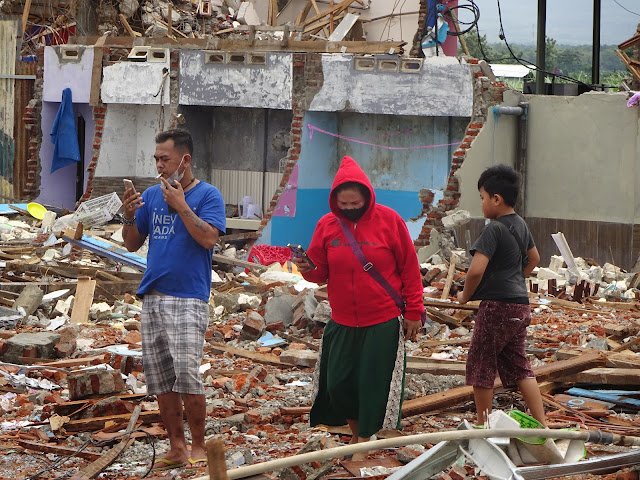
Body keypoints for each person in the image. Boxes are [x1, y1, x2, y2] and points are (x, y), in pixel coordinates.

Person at [294, 156, 425, 461]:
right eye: (345, 203)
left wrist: (414, 313)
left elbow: (410, 269)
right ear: (335, 201)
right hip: (341, 320)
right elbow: (319, 273)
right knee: (338, 383)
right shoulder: (327, 225)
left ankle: (364, 444)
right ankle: (355, 436)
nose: (351, 207)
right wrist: (304, 267)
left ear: (367, 196)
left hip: (381, 320)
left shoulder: (390, 221)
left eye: (356, 202)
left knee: (372, 385)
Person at [122, 129, 226, 471]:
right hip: (153, 295)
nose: (159, 165)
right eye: (156, 159)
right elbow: (132, 244)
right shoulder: (152, 196)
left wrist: (181, 206)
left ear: (185, 160)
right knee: (161, 378)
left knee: (187, 375)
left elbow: (209, 239)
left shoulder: (208, 195)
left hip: (188, 297)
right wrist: (127, 215)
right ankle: (176, 447)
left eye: (165, 159)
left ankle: (197, 446)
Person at [457, 164, 547, 427]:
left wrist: (464, 297)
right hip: (520, 306)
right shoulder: (521, 224)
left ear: (496, 198)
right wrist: (517, 278)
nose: (482, 204)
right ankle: (542, 423)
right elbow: (535, 258)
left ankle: (483, 425)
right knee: (520, 365)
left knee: (481, 364)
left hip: (497, 307)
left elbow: (475, 272)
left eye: (483, 198)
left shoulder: (493, 229)